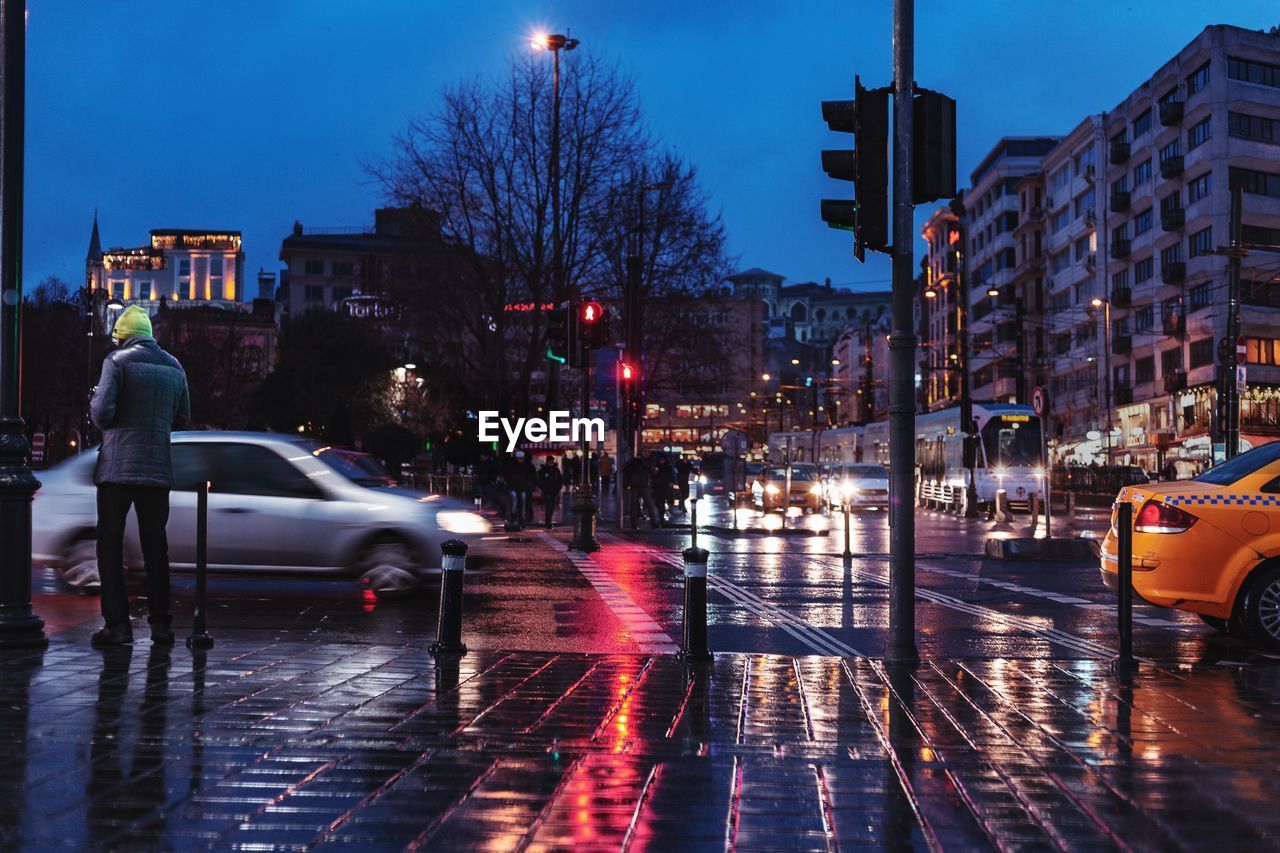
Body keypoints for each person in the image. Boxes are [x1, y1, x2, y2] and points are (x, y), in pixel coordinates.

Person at [89, 305, 190, 647]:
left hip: (117, 470)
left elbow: (103, 414)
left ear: (123, 337)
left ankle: (117, 626)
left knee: (110, 547)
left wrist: (94, 404)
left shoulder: (116, 363)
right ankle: (161, 625)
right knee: (155, 548)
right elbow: (182, 419)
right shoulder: (175, 368)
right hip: (157, 470)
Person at [623, 452, 657, 529]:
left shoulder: (646, 461)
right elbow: (626, 469)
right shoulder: (636, 461)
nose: (646, 454)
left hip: (640, 484)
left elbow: (649, 466)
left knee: (645, 505)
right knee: (637, 505)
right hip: (638, 484)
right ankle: (636, 524)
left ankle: (652, 523)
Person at [537, 456, 564, 528]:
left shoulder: (556, 470)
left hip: (554, 491)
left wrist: (558, 487)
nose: (551, 463)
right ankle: (548, 521)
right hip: (546, 491)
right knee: (548, 505)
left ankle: (549, 520)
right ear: (547, 462)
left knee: (552, 506)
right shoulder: (543, 470)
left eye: (552, 461)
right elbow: (539, 480)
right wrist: (542, 487)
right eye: (550, 462)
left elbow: (560, 480)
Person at [650, 454, 674, 526]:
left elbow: (671, 475)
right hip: (657, 486)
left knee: (662, 501)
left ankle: (661, 517)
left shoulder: (668, 467)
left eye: (663, 460)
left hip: (664, 486)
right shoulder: (656, 467)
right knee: (657, 502)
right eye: (661, 460)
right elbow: (652, 475)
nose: (662, 461)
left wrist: (671, 482)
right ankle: (660, 514)